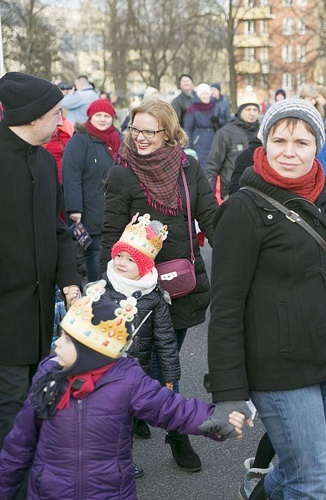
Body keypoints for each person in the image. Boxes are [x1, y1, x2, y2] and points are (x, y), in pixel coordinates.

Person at [204, 99, 326, 499]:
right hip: (277, 364)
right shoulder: (244, 209)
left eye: (301, 141)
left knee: (301, 469)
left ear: (318, 145)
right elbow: (226, 307)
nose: (289, 151)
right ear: (264, 143)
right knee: (312, 478)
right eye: (279, 140)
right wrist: (228, 393)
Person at [0, 284, 248, 499]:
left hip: (110, 491)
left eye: (67, 339)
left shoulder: (126, 379)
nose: (57, 344)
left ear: (91, 351)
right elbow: (20, 443)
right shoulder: (48, 375)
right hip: (50, 491)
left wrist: (213, 419)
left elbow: (169, 408)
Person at [100, 99, 218, 472]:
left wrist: (237, 253)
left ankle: (141, 411)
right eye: (135, 129)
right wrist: (108, 288)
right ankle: (177, 432)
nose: (140, 138)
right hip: (140, 290)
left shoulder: (188, 167)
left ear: (167, 133)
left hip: (182, 283)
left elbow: (209, 217)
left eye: (150, 131)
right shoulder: (122, 173)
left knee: (167, 357)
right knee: (153, 363)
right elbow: (110, 234)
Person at [0, 72, 81, 448]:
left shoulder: (46, 163)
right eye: (56, 113)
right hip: (5, 317)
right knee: (12, 412)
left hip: (39, 315)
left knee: (33, 405)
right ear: (33, 117)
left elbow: (58, 229)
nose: (62, 121)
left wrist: (70, 282)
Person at [100, 213, 180, 469]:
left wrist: (169, 378)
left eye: (130, 259)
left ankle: (121, 461)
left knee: (125, 421)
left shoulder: (154, 299)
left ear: (144, 266)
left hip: (135, 373)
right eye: (119, 256)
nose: (121, 263)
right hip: (101, 370)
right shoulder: (102, 288)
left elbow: (166, 341)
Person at [63, 98, 122, 283]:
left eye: (107, 115)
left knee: (116, 251)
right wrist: (74, 209)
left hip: (115, 207)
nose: (103, 119)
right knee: (94, 252)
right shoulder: (80, 140)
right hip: (90, 208)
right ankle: (97, 289)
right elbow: (71, 176)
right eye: (98, 115)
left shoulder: (117, 139)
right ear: (90, 116)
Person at [205, 86, 262, 199]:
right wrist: (208, 197)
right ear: (240, 111)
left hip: (259, 192)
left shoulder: (263, 133)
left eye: (255, 110)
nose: (252, 113)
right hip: (232, 192)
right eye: (248, 110)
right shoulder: (225, 133)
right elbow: (212, 165)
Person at [184, 83, 219, 166]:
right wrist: (188, 145)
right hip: (198, 142)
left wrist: (218, 121)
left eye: (207, 94)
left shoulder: (215, 107)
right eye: (203, 94)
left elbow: (223, 123)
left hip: (213, 139)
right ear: (198, 95)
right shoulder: (192, 109)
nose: (205, 96)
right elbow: (188, 128)